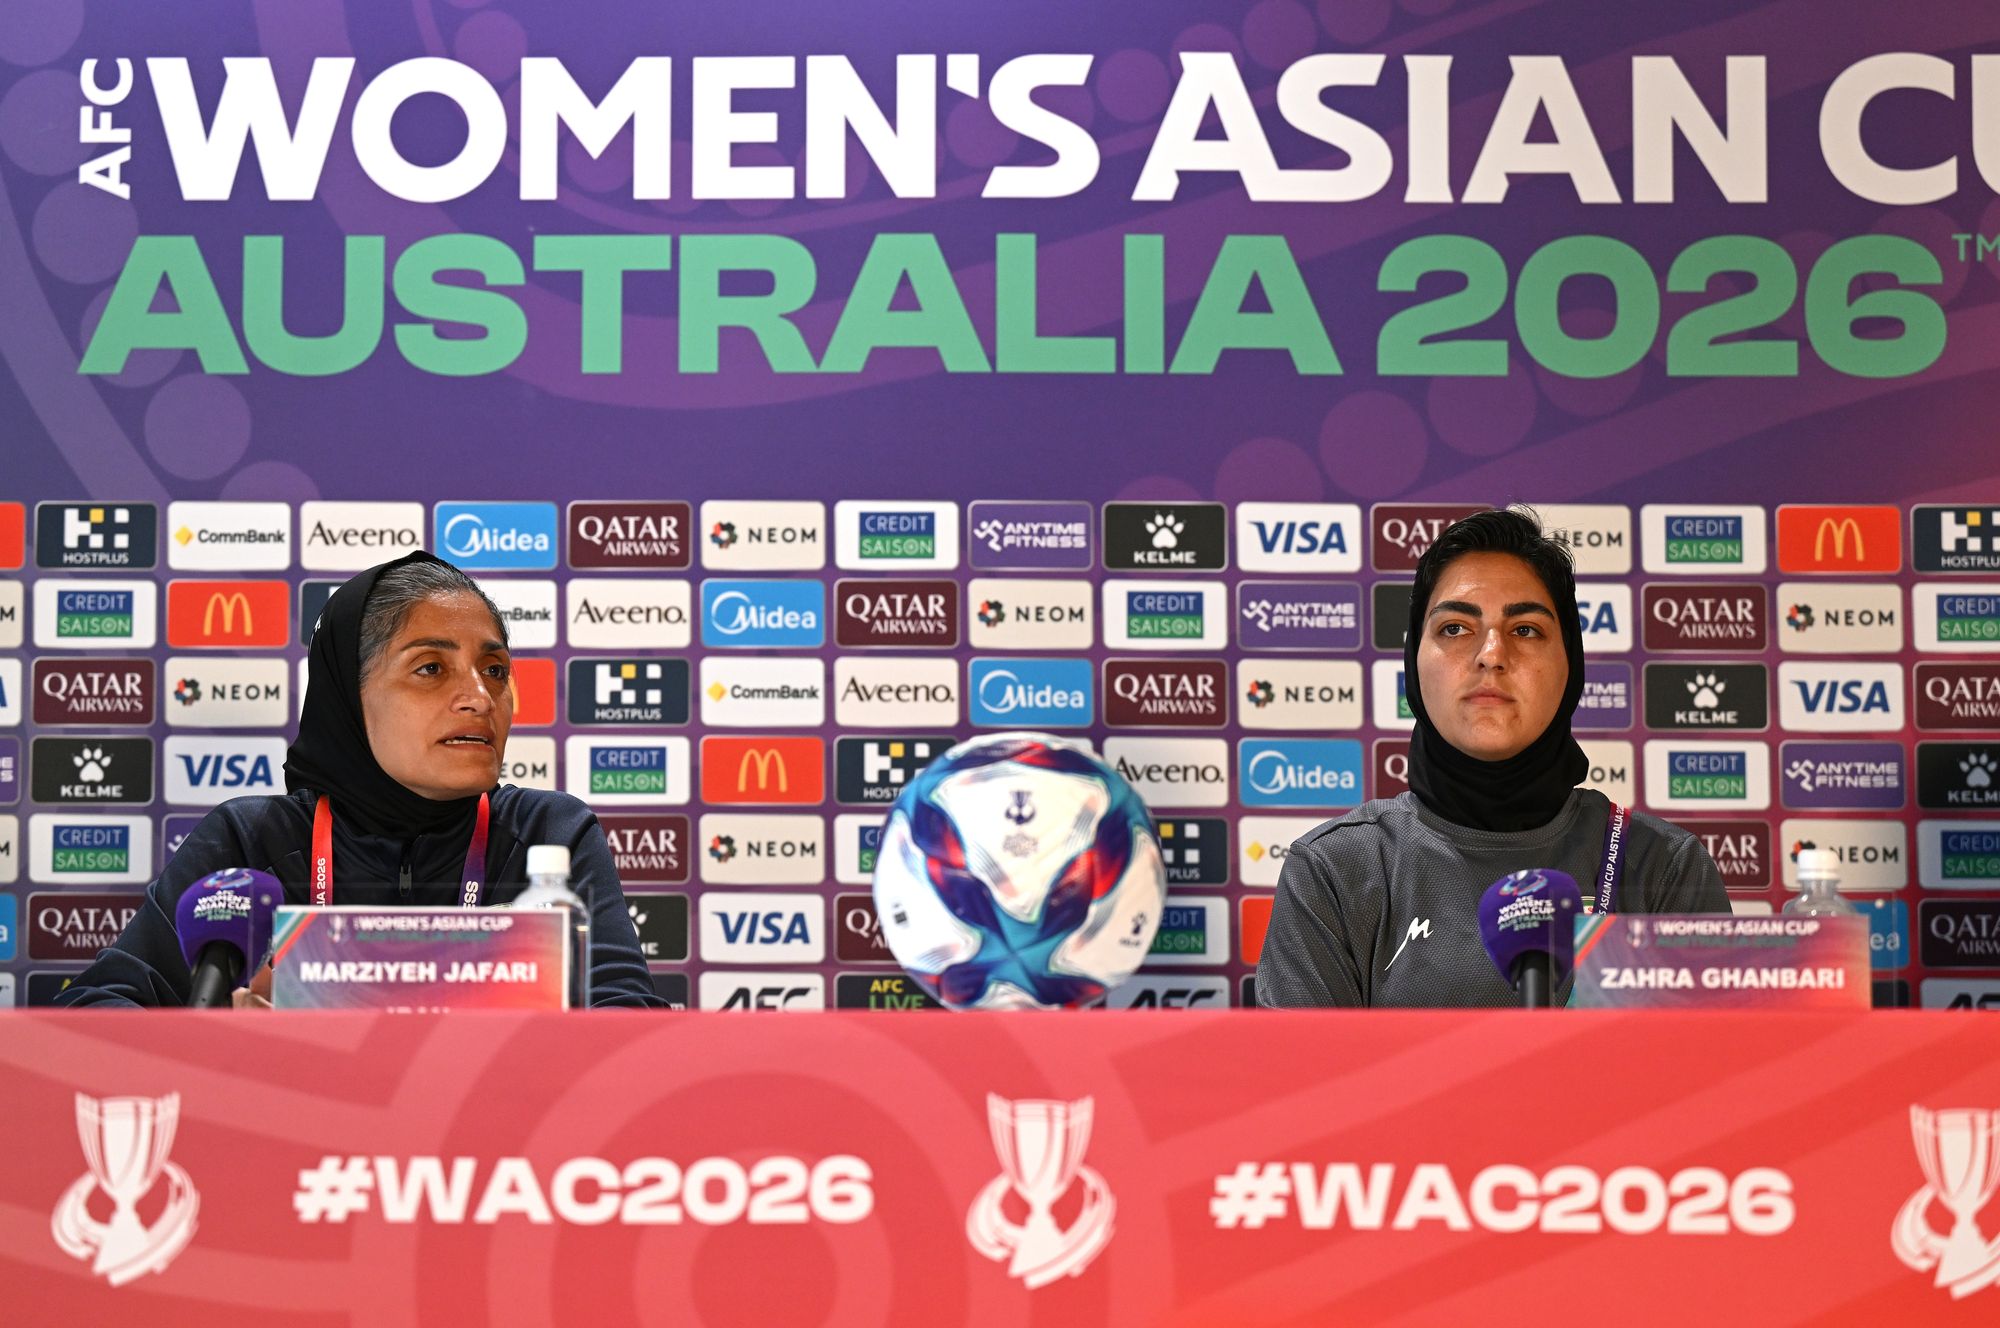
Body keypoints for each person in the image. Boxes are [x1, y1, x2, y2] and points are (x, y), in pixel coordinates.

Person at [57, 551, 665, 1008]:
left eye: (495, 670)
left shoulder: (549, 833)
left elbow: (627, 1024)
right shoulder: (252, 839)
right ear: (348, 694)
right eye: (431, 668)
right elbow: (97, 1012)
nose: (479, 698)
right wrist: (224, 1039)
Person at [1257, 508, 1728, 1008]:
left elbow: (1719, 1058)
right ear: (1413, 661)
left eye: (1525, 630)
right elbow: (1305, 1063)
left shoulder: (1662, 867)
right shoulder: (1335, 870)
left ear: (1571, 663)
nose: (1492, 654)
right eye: (1455, 628)